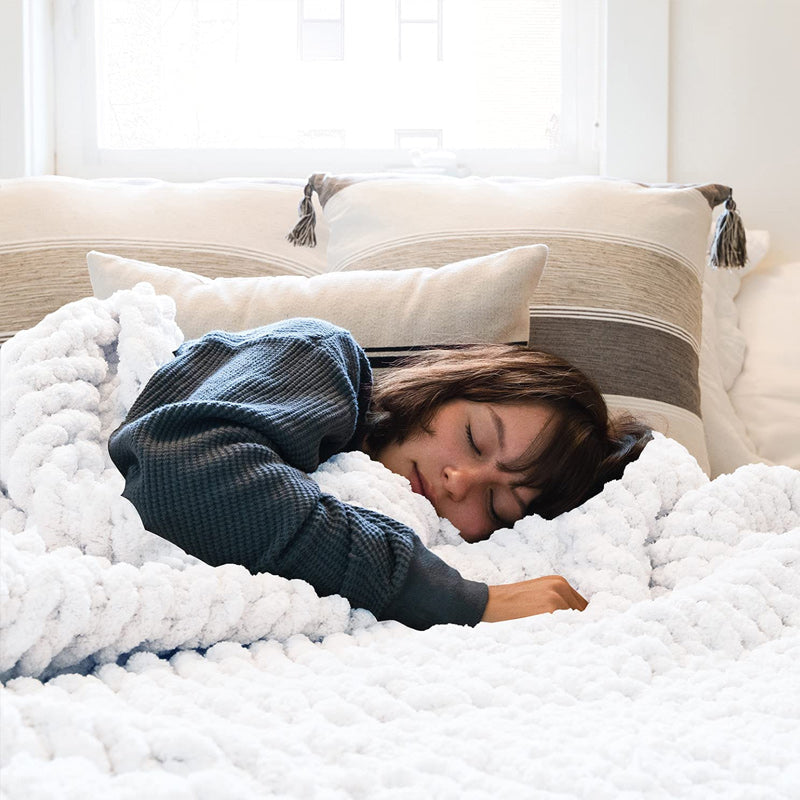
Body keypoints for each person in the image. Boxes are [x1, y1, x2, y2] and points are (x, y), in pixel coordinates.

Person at [109, 318, 651, 630]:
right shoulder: (320, 358)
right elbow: (184, 472)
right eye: (475, 438)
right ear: (447, 385)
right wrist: (466, 600)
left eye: (495, 507)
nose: (459, 481)